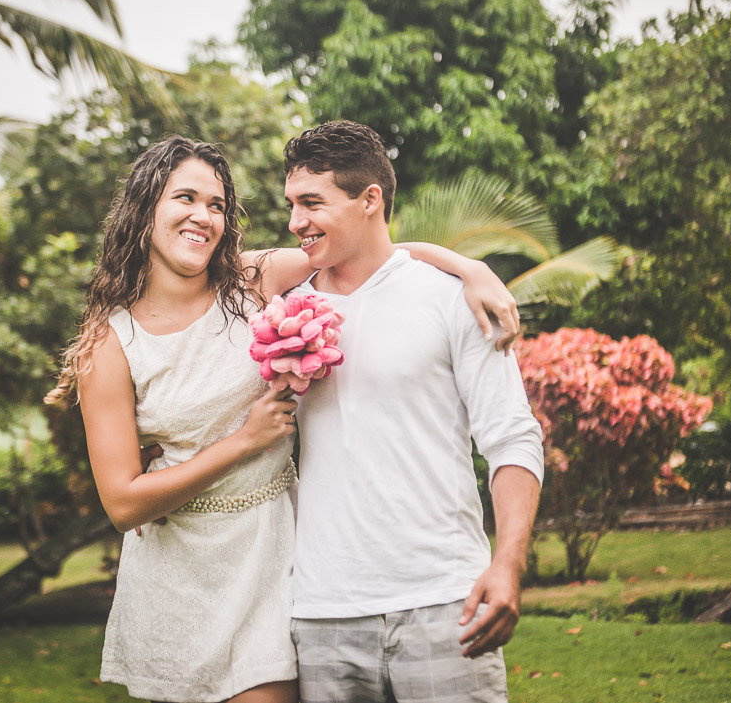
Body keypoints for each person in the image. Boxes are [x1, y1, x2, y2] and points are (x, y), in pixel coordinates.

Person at [46, 135, 520, 703]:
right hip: (179, 570)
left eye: (217, 205)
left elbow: (367, 249)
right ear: (146, 207)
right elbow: (122, 502)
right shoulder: (111, 342)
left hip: (272, 560)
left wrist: (469, 266)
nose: (203, 216)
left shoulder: (250, 281)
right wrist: (244, 441)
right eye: (185, 198)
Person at [283, 120, 545, 703]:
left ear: (370, 198)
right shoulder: (282, 313)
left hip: (446, 602)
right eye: (291, 205)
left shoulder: (452, 297)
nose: (295, 221)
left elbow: (513, 439)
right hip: (323, 613)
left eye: (311, 203)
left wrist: (507, 566)